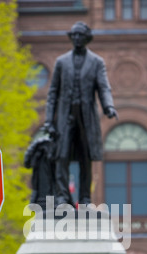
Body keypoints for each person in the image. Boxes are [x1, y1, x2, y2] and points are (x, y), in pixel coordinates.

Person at [44, 21, 118, 206]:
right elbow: (53, 93)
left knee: (86, 158)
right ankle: (62, 196)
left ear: (87, 38)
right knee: (62, 156)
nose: (77, 38)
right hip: (65, 117)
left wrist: (109, 106)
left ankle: (85, 198)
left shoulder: (96, 62)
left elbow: (103, 87)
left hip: (86, 118)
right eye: (74, 35)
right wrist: (48, 121)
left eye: (80, 35)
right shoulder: (61, 62)